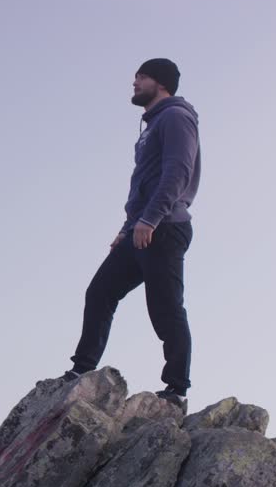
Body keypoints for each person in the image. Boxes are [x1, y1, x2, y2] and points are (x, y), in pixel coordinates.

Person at [63, 58, 201, 412]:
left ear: (162, 83)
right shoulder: (151, 126)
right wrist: (127, 229)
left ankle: (176, 391)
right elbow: (143, 184)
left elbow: (177, 173)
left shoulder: (175, 117)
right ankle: (81, 370)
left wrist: (150, 220)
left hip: (164, 228)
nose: (134, 82)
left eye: (141, 77)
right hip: (139, 230)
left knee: (165, 309)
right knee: (99, 293)